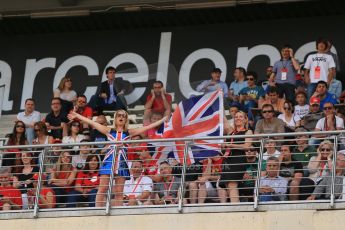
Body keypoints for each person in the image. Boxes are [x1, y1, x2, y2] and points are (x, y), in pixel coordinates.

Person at [68, 109, 167, 207]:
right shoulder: (109, 130)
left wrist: (163, 120)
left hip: (122, 163)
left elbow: (148, 127)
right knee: (102, 189)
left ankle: (118, 212)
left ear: (126, 119)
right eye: (119, 115)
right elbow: (91, 122)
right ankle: (98, 211)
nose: (121, 117)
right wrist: (77, 115)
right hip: (108, 162)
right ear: (115, 118)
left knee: (119, 192)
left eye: (123, 116)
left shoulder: (130, 132)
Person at [220, 111, 253, 203]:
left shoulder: (248, 131)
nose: (238, 118)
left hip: (238, 159)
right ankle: (234, 205)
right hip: (227, 160)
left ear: (245, 120)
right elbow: (224, 121)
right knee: (227, 185)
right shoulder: (231, 132)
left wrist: (231, 145)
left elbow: (247, 146)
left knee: (232, 184)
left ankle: (235, 206)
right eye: (236, 117)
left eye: (241, 117)